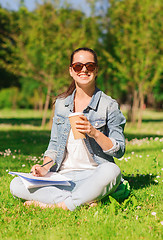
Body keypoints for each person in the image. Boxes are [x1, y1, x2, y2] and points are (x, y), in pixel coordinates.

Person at [10, 47, 126, 211]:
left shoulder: (109, 105)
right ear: (71, 71)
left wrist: (94, 133)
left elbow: (119, 150)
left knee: (112, 171)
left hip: (94, 174)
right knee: (16, 184)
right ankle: (83, 199)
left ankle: (60, 205)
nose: (84, 69)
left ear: (96, 70)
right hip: (62, 177)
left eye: (90, 66)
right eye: (78, 66)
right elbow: (54, 143)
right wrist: (44, 168)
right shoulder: (61, 104)